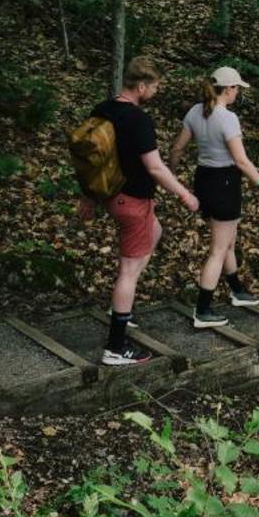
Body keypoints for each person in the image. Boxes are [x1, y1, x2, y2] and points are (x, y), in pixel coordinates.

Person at [81, 55, 197, 366]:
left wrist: (88, 196)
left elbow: (92, 158)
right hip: (131, 201)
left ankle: (122, 304)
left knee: (155, 231)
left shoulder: (102, 110)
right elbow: (156, 168)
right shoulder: (138, 120)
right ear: (142, 86)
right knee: (128, 272)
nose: (157, 92)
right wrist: (185, 194)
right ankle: (116, 347)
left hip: (112, 195)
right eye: (156, 86)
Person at [167, 65, 259, 328]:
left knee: (227, 240)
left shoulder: (195, 112)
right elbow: (241, 161)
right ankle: (203, 310)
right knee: (218, 249)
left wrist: (172, 176)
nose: (238, 94)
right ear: (229, 89)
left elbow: (177, 148)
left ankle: (237, 291)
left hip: (204, 180)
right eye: (237, 89)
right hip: (225, 181)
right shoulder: (227, 118)